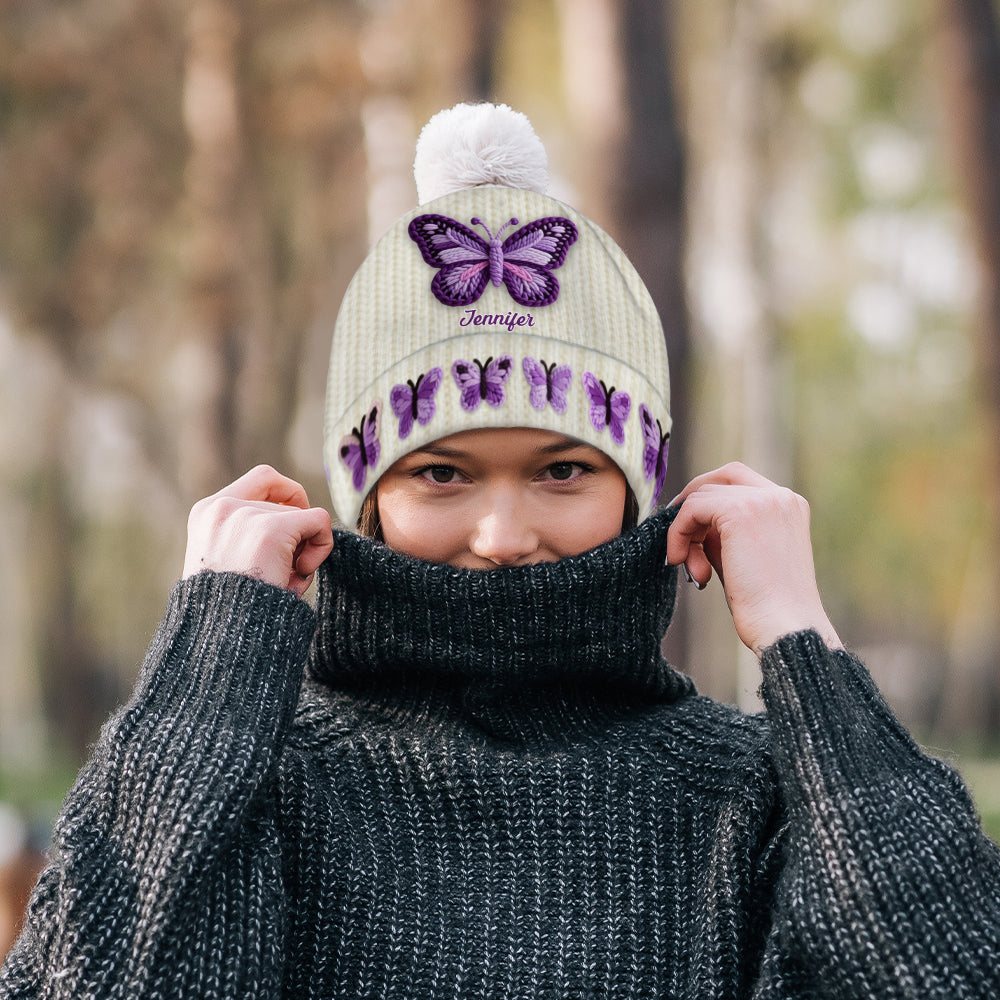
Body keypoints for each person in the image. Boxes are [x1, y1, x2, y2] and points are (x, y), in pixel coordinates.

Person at [2, 102, 998, 1000]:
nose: (504, 533)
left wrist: (803, 646)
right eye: (441, 473)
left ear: (634, 486)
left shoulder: (750, 797)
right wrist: (200, 688)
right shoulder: (260, 784)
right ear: (368, 496)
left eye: (563, 468)